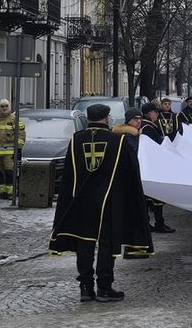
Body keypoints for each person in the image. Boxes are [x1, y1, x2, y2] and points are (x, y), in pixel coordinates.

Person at [49, 103, 154, 303]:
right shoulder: (118, 141)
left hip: (80, 202)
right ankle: (104, 287)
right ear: (106, 118)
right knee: (106, 244)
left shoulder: (75, 140)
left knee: (84, 244)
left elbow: (68, 176)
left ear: (89, 118)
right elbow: (130, 172)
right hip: (108, 202)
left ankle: (86, 288)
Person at [138, 103, 173, 233]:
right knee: (156, 198)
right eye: (155, 112)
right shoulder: (147, 127)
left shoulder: (147, 126)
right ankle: (158, 223)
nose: (157, 115)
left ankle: (148, 223)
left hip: (150, 166)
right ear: (148, 113)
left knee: (148, 197)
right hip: (153, 166)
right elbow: (152, 146)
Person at [0, 99, 25, 200]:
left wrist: (18, 149)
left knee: (9, 172)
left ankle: (11, 192)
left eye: (6, 106)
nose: (4, 108)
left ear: (9, 107)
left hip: (9, 152)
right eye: (2, 106)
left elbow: (21, 135)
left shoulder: (15, 120)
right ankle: (2, 191)